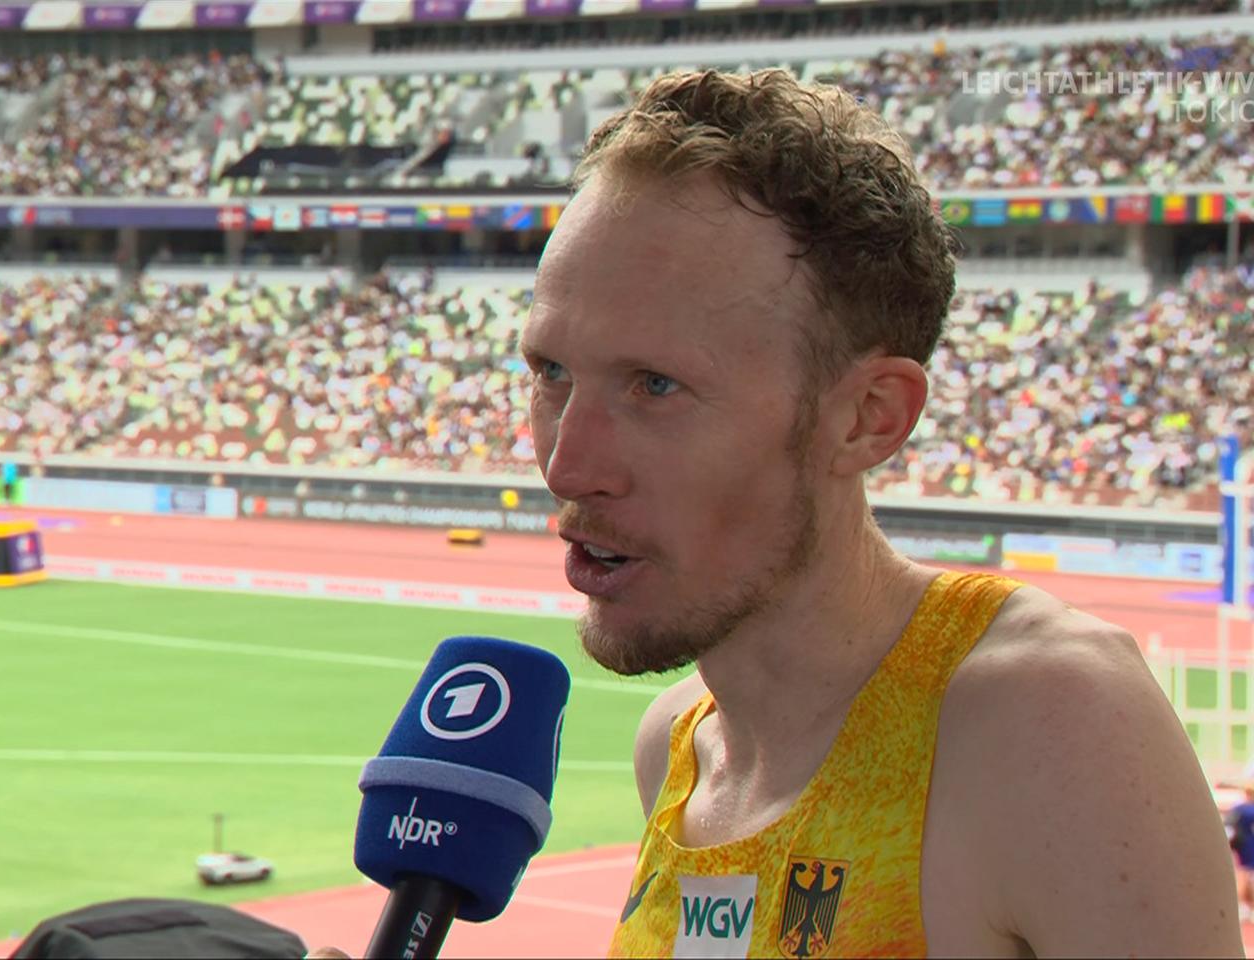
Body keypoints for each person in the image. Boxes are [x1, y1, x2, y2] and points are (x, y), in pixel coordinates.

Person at [519, 69, 1243, 957]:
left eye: (655, 386)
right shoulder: (675, 748)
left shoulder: (1051, 726)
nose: (567, 464)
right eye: (551, 372)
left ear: (867, 418)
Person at [1229, 783, 1254, 925]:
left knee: (1243, 875)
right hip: (1248, 843)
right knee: (1248, 876)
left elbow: (1229, 823)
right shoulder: (1245, 809)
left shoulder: (1240, 809)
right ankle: (1248, 908)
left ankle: (1243, 907)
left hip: (1244, 844)